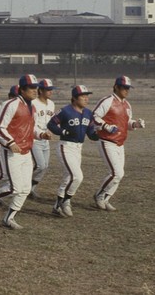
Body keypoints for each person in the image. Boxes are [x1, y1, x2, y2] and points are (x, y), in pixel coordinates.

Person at [0, 75, 50, 230]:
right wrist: (10, 142)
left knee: (25, 190)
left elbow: (31, 128)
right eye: (31, 88)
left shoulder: (32, 107)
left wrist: (41, 134)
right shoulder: (11, 104)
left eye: (36, 87)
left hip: (26, 151)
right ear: (22, 89)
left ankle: (8, 218)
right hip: (10, 152)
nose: (35, 90)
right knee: (15, 188)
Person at [92, 76, 145, 211]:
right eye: (124, 88)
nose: (126, 90)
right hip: (107, 141)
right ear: (116, 87)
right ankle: (99, 195)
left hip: (120, 143)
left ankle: (105, 198)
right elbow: (94, 117)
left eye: (128, 88)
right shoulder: (107, 101)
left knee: (119, 174)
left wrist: (136, 124)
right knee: (117, 173)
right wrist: (105, 126)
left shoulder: (127, 105)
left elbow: (126, 123)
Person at [47, 85, 99, 217]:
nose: (86, 98)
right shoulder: (65, 111)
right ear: (74, 98)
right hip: (66, 146)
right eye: (83, 96)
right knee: (77, 176)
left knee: (68, 177)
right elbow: (51, 124)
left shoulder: (88, 113)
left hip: (78, 148)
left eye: (87, 96)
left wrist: (100, 134)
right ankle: (66, 201)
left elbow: (91, 133)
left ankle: (56, 206)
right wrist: (62, 131)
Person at [29, 78, 56, 199]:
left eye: (51, 89)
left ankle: (31, 188)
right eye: (47, 90)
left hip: (46, 139)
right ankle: (24, 185)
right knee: (40, 165)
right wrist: (40, 133)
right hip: (34, 138)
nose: (50, 92)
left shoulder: (51, 104)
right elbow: (30, 123)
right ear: (40, 90)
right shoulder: (33, 103)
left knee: (45, 166)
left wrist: (51, 130)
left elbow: (51, 122)